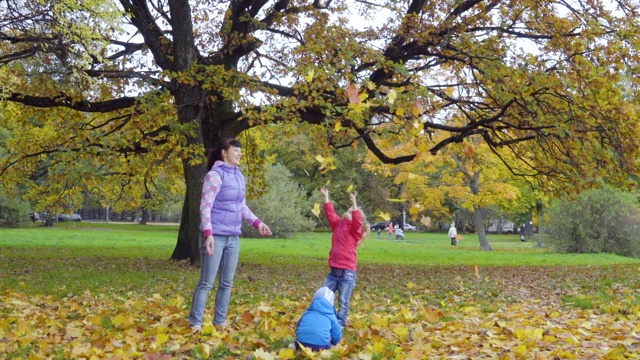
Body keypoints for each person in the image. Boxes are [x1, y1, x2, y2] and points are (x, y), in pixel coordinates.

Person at [189, 138, 273, 332]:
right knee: (206, 282)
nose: (240, 154)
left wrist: (258, 223)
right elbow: (205, 207)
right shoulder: (215, 176)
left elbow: (241, 206)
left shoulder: (239, 176)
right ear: (224, 153)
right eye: (236, 150)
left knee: (226, 283)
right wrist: (208, 234)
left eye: (241, 151)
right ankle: (196, 322)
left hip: (233, 237)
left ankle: (220, 322)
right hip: (215, 237)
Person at [319, 186, 369, 327]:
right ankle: (327, 317)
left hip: (347, 272)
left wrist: (354, 204)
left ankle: (340, 324)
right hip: (334, 271)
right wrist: (326, 197)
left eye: (351, 213)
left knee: (343, 300)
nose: (348, 214)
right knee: (323, 295)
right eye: (347, 212)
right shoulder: (337, 225)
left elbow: (358, 221)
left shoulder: (355, 231)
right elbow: (330, 214)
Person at [293, 286, 343, 351]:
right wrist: (334, 342)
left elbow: (298, 326)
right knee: (329, 345)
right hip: (320, 345)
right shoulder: (331, 316)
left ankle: (296, 346)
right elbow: (337, 333)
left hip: (301, 342)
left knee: (300, 343)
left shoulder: (307, 313)